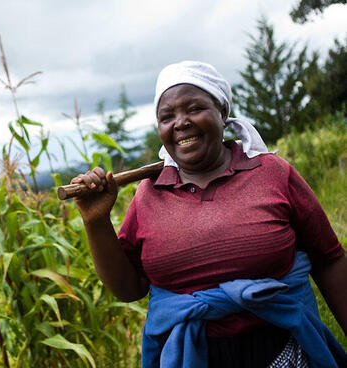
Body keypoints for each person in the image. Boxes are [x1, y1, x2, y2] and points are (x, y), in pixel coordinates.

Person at [70, 61, 347, 368]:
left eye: (194, 108)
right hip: (190, 357)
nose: (180, 122)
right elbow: (128, 289)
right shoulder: (148, 195)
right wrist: (95, 221)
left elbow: (329, 260)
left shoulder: (272, 173)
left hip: (281, 349)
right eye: (167, 116)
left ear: (222, 113)